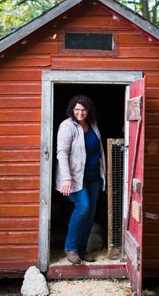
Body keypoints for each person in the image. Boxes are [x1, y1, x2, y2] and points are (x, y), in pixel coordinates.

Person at [55, 95, 106, 265]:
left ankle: (83, 249)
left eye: (83, 109)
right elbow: (61, 153)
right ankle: (71, 248)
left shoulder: (92, 124)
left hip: (93, 177)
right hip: (75, 177)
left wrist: (102, 173)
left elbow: (98, 150)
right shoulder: (67, 126)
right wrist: (67, 178)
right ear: (72, 110)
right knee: (83, 207)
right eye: (77, 109)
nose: (80, 112)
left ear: (88, 110)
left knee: (90, 212)